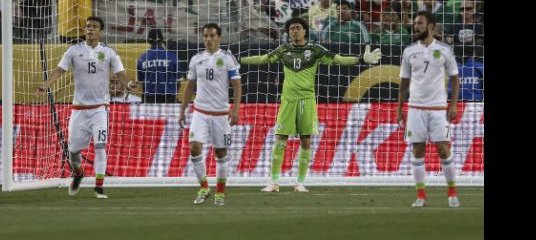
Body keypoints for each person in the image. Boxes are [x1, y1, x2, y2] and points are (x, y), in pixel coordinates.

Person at [241, 17, 382, 193]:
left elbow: (338, 59)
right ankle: (274, 182)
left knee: (306, 140)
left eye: (298, 28)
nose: (294, 31)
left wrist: (360, 59)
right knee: (280, 140)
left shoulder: (315, 50)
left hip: (307, 101)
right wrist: (240, 60)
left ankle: (299, 182)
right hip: (288, 101)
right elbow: (263, 59)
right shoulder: (283, 50)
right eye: (291, 29)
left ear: (305, 31)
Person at [37, 16, 138, 199]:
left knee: (100, 146)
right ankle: (78, 172)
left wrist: (129, 83)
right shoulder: (74, 51)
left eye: (94, 27)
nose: (90, 29)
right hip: (79, 109)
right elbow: (59, 70)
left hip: (100, 108)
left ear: (101, 31)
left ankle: (99, 188)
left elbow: (120, 74)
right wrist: (46, 84)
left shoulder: (109, 52)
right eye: (88, 26)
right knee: (73, 152)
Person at [397, 11, 461, 208]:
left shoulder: (444, 49)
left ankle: (452, 193)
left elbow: (455, 78)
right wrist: (400, 108)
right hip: (415, 108)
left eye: (420, 23)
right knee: (417, 150)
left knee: (443, 149)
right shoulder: (409, 51)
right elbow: (404, 82)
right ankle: (421, 196)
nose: (416, 27)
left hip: (438, 108)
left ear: (431, 26)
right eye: (415, 23)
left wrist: (453, 104)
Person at [178, 23, 241, 206]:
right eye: (206, 36)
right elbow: (190, 86)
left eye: (212, 35)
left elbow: (237, 85)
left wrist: (236, 109)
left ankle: (220, 192)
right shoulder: (196, 59)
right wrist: (182, 110)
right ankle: (204, 187)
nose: (208, 39)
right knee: (194, 147)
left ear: (218, 37)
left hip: (221, 114)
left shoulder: (228, 59)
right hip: (200, 112)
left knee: (221, 152)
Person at [137, 29, 180, 104]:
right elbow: (179, 80)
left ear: (148, 41)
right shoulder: (172, 57)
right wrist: (174, 93)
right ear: (162, 40)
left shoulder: (142, 58)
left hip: (149, 99)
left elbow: (142, 83)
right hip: (169, 98)